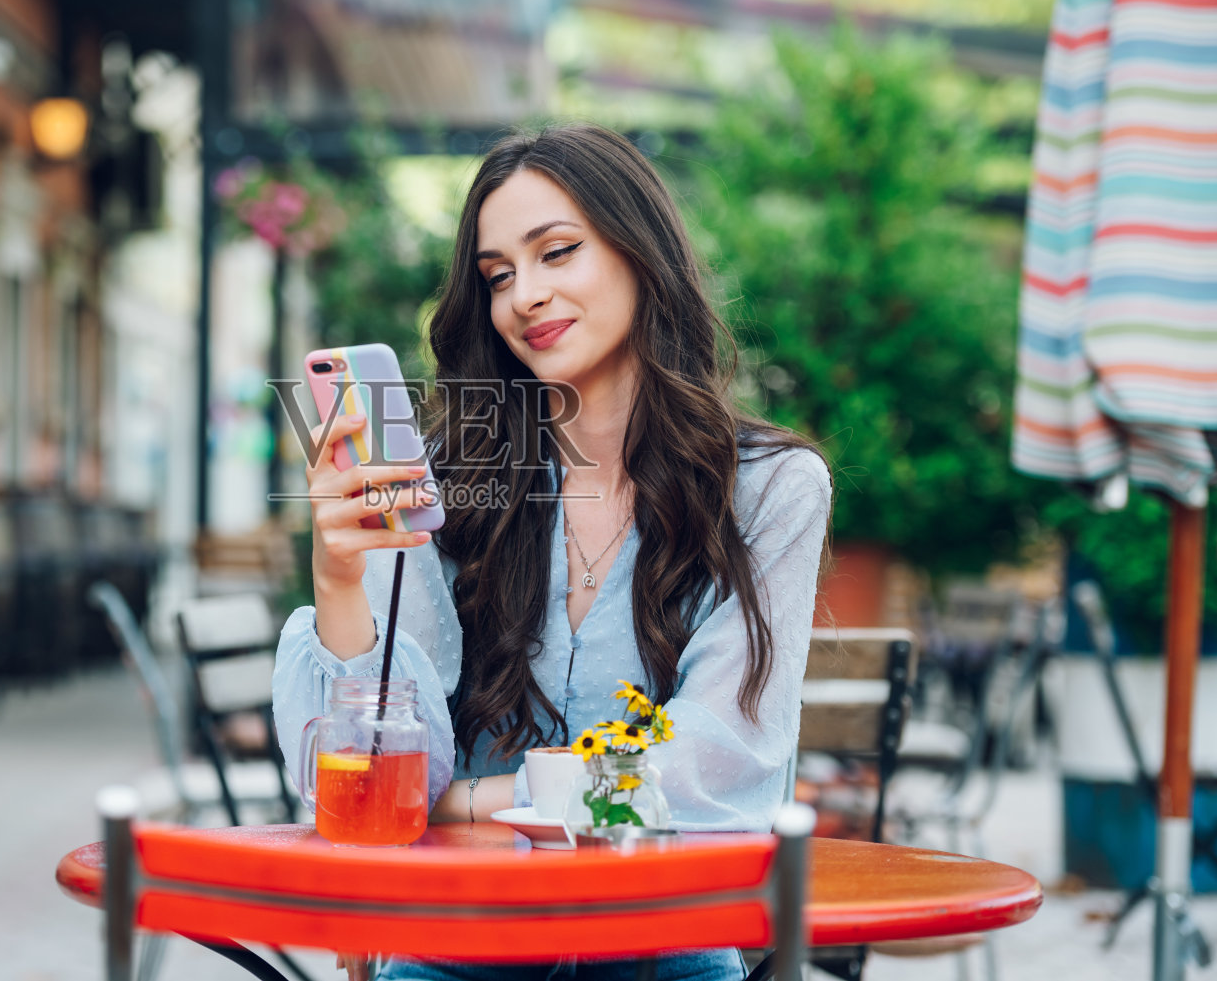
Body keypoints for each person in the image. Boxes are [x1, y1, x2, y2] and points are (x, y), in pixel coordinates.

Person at [273, 122, 831, 981]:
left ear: (641, 252)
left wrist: (478, 800)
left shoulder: (769, 489)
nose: (523, 296)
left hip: (661, 952)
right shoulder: (447, 479)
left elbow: (714, 765)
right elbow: (387, 782)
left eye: (557, 252)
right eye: (498, 276)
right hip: (460, 949)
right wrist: (340, 575)